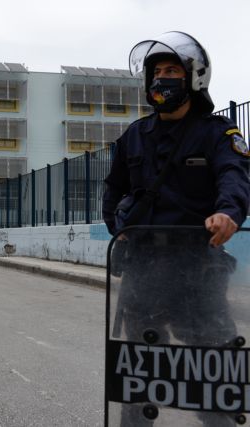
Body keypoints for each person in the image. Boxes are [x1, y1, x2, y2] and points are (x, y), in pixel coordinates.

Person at [102, 31, 250, 426]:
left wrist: (228, 212)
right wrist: (118, 227)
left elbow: (234, 176)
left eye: (171, 71)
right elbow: (113, 189)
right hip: (143, 266)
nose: (162, 79)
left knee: (212, 368)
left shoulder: (218, 133)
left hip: (197, 265)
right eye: (157, 72)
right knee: (139, 370)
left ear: (193, 77)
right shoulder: (134, 136)